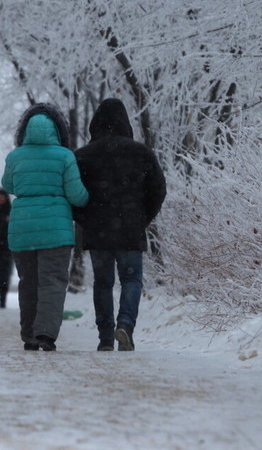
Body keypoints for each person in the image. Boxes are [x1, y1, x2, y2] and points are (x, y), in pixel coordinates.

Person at [74, 98, 166, 351]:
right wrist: (142, 219)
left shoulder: (82, 156)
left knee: (102, 283)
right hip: (130, 230)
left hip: (98, 231)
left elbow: (71, 193)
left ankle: (105, 337)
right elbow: (158, 190)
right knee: (132, 280)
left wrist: (86, 220)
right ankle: (125, 325)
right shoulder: (142, 153)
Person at [1, 103, 89, 351]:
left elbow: (8, 185)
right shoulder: (65, 156)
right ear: (57, 130)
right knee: (52, 282)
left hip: (23, 229)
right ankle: (45, 334)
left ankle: (29, 334)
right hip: (56, 230)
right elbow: (77, 195)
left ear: (25, 130)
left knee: (28, 282)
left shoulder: (15, 156)